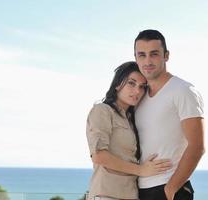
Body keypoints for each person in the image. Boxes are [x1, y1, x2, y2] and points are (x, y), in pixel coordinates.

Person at [134, 29, 205, 200]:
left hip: (169, 189)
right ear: (135, 58)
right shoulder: (139, 96)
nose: (148, 61)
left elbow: (197, 146)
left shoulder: (183, 90)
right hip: (141, 189)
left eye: (154, 54)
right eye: (142, 55)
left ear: (166, 56)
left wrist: (171, 189)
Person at [86, 61, 172, 200]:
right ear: (118, 84)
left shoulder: (132, 119)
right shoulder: (102, 111)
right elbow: (99, 156)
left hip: (131, 195)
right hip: (107, 194)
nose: (137, 91)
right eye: (131, 83)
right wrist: (141, 170)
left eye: (142, 87)